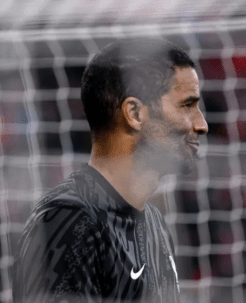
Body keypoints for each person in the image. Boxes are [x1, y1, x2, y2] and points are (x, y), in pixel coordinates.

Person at [12, 38, 208, 302]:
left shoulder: (153, 222)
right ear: (135, 114)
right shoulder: (68, 223)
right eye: (187, 105)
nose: (202, 124)